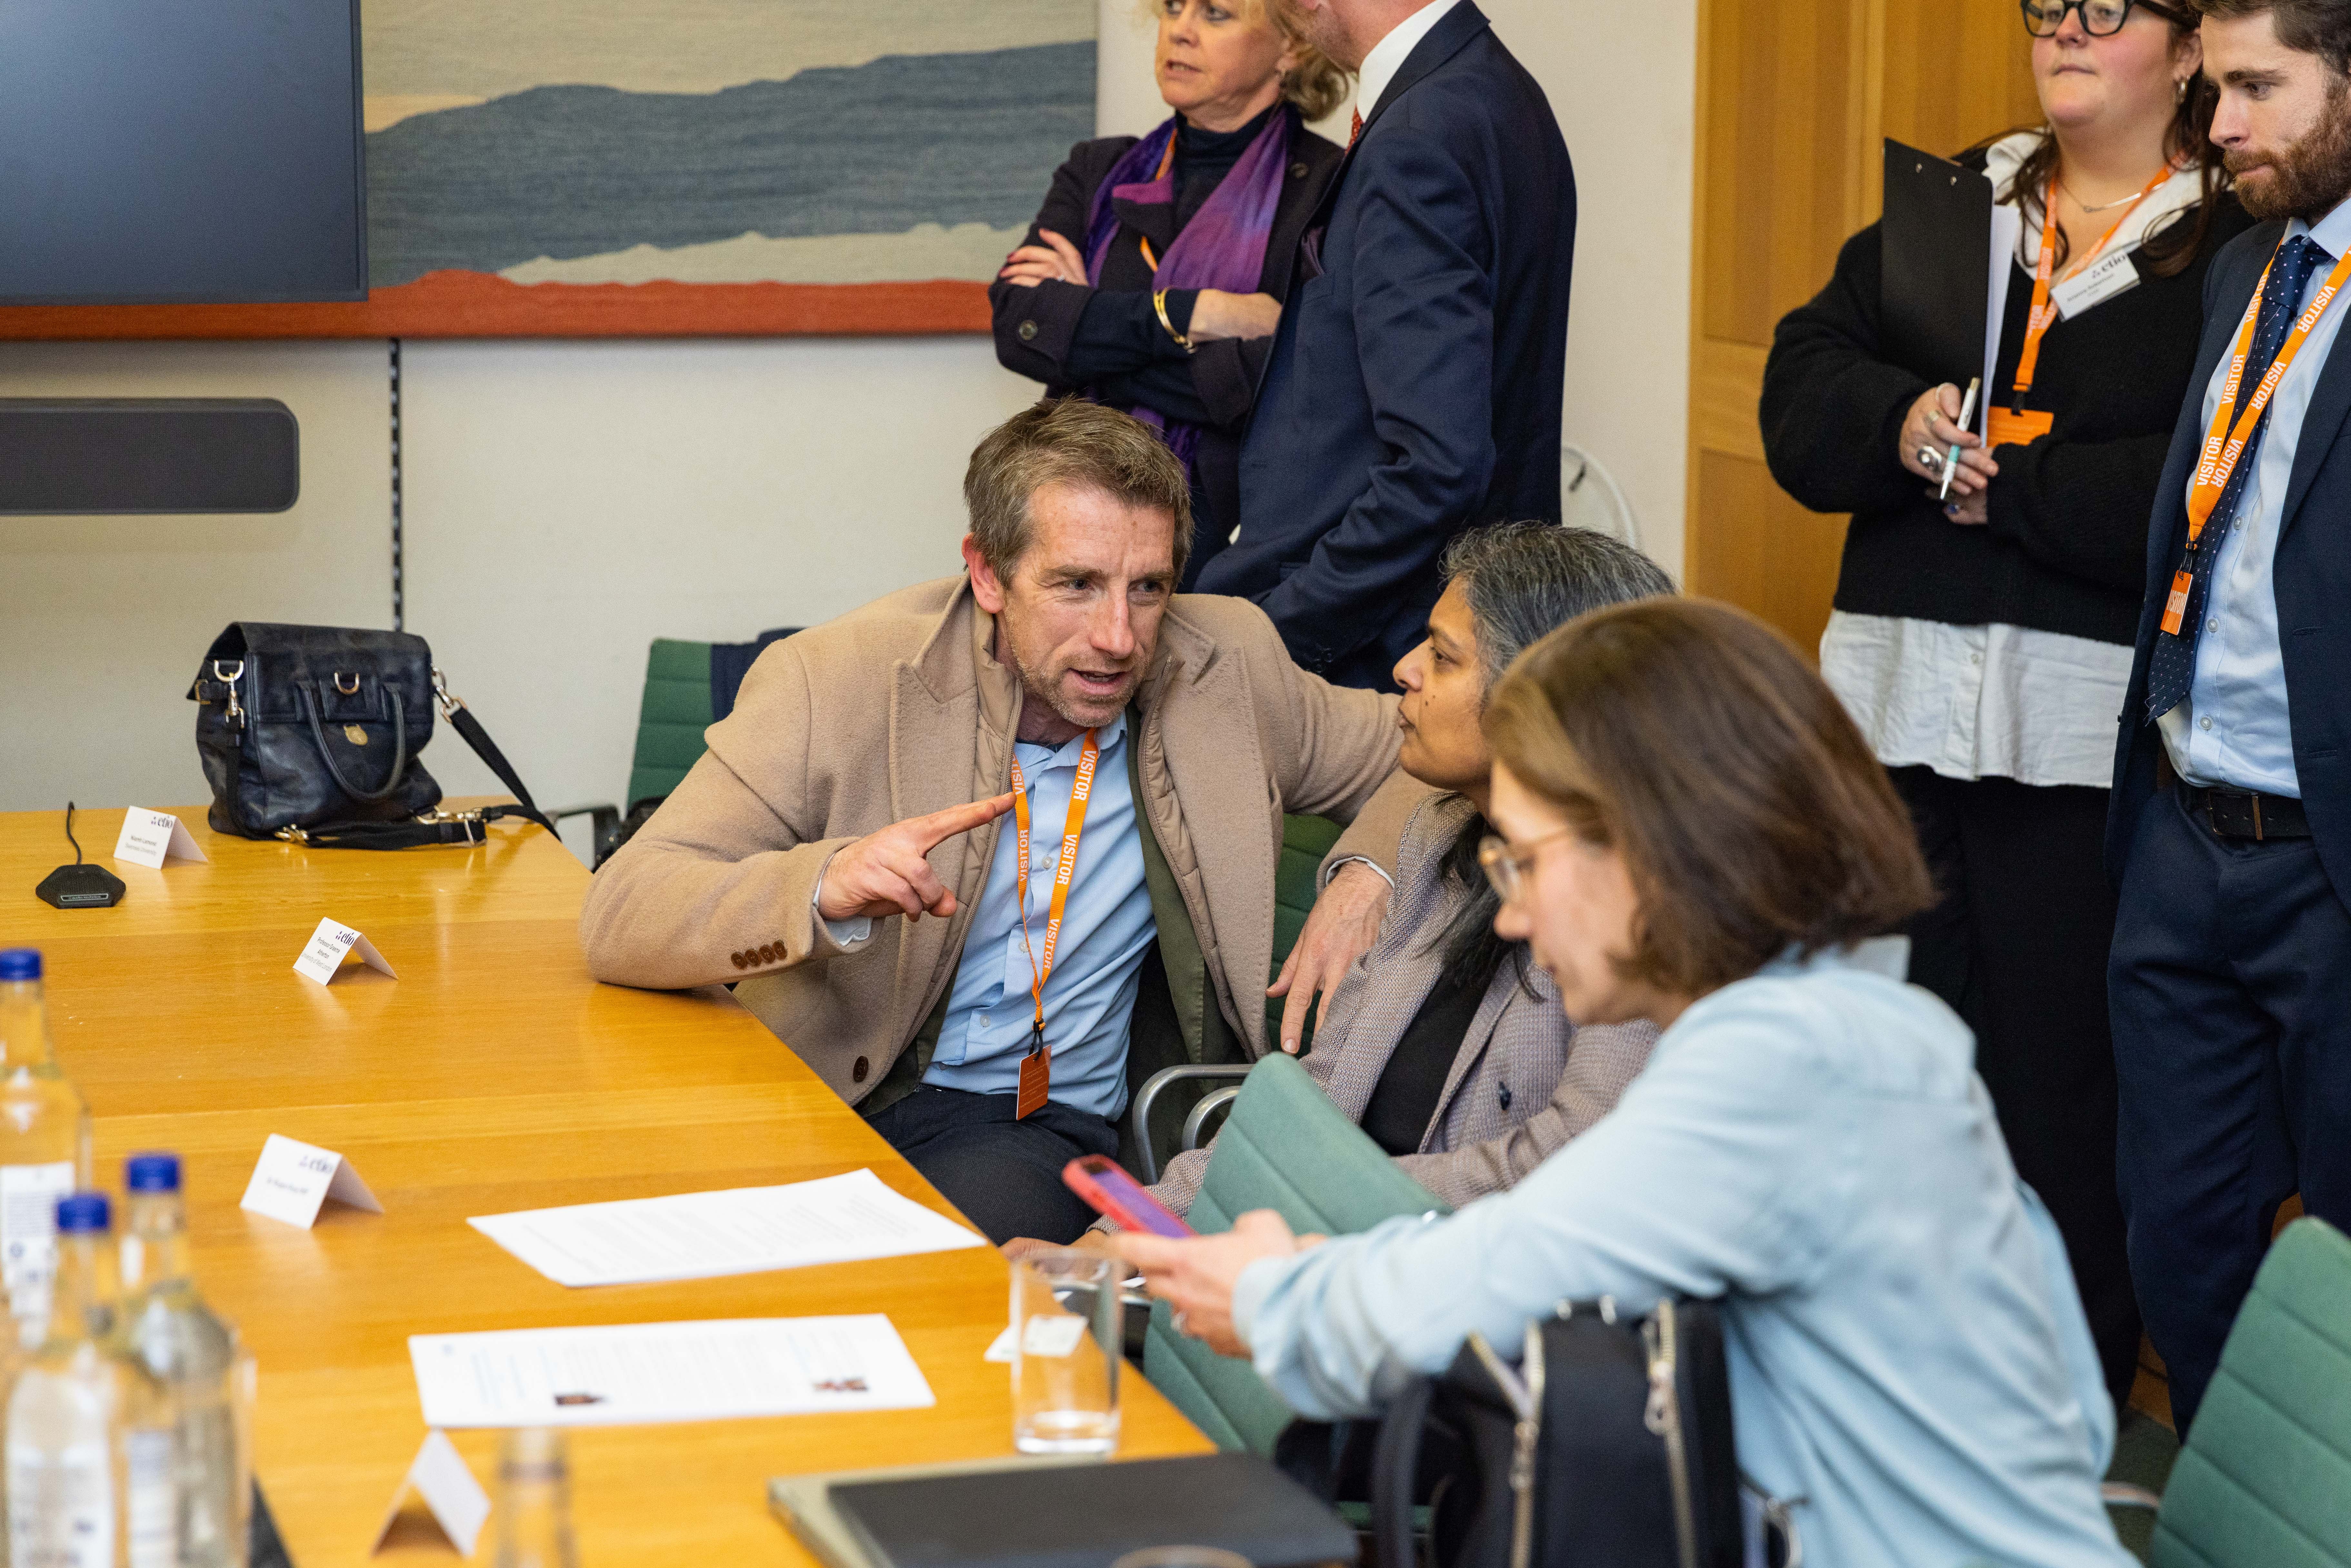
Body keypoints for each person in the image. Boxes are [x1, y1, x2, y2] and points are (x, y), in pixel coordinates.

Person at [1113, 600, 2136, 1568]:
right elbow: (2075, 1418)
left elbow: (1506, 1268)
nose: (1511, 915)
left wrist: (1263, 1290)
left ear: (1647, 848)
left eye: (1522, 862)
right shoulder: (1865, 1027)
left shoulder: (1781, 1068)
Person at [580, 399, 1420, 1247]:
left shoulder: (1225, 666)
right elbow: (623, 911)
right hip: (818, 1093)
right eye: (1076, 584)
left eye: (1150, 587)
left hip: (1027, 1127)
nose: (1119, 636)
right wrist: (822, 885)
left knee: (946, 1281)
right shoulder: (834, 678)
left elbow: (1457, 739)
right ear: (987, 574)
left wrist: (1371, 870)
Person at [1759, 0, 2249, 1407]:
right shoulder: (1958, 197)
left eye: (2104, 11)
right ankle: (1873, 1384)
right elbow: (1801, 389)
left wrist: (2017, 486)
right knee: (1885, 1074)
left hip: (2074, 740)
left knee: (2058, 1098)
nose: (2064, 31)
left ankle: (2056, 1413)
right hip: (1891, 718)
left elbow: (2191, 481)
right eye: (2046, 8)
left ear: (2184, 45)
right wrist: (1908, 425)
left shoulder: (2234, 237)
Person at [1012, 524, 1669, 1258]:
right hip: (1313, 1265)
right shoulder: (1436, 842)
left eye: (1444, 657)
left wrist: (1310, 1228)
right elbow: (1308, 1106)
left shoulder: (1649, 908)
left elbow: (1565, 1169)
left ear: (1547, 698)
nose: (1405, 669)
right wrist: (1120, 1243)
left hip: (1441, 1292)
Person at [2108, 0, 2351, 1436]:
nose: (2221, 126)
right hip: (2182, 833)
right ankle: (2219, 1511)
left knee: (2334, 1266)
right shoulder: (2248, 266)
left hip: (2327, 862)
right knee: (2178, 1247)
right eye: (2212, 89)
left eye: (2258, 87)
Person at [1193, 0, 1576, 692]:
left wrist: (1283, 633)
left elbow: (1439, 464)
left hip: (1390, 649)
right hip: (1472, 617)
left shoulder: (1420, 131)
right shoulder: (1503, 92)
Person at [992, 0, 1348, 571]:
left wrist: (1087, 327)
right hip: (1063, 518)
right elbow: (1018, 324)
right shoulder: (1097, 170)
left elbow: (1290, 384)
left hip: (1229, 548)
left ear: (1291, 47)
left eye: (1215, 14)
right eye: (1174, 9)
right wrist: (1197, 313)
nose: (1179, 32)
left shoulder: (1329, 189)